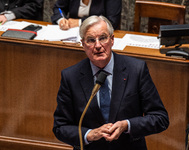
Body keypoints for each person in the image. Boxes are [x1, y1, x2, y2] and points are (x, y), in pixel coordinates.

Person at [53, 15, 169, 150]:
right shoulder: (71, 77)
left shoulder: (136, 70)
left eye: (102, 38)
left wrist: (127, 125)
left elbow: (160, 118)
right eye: (91, 40)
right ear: (83, 44)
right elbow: (60, 127)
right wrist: (88, 135)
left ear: (112, 40)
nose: (97, 46)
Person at [51, 0, 121, 30]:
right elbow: (59, 7)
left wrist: (80, 22)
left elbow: (112, 21)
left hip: (99, 36)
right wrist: (61, 19)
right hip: (71, 35)